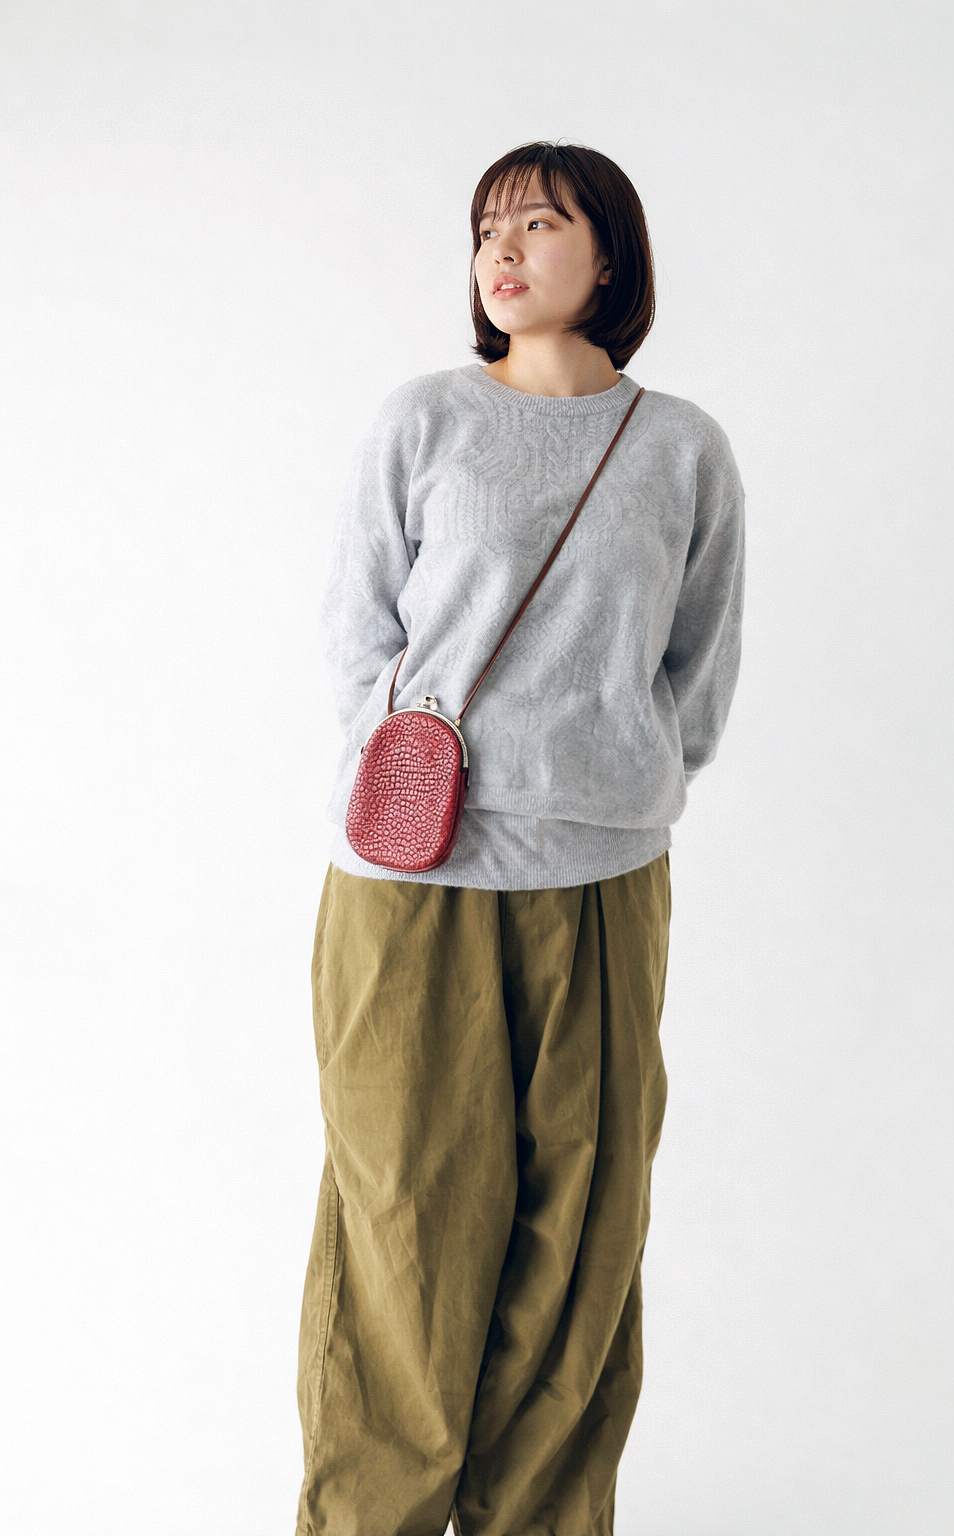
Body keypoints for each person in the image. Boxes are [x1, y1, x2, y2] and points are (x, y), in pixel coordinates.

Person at [295, 140, 745, 1536]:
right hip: (413, 878)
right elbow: (355, 632)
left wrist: (613, 778)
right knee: (404, 1224)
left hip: (604, 878)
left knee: (581, 1241)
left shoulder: (681, 447)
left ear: (609, 257)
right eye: (488, 227)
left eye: (541, 224)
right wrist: (411, 755)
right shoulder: (426, 418)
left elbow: (699, 666)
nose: (504, 251)